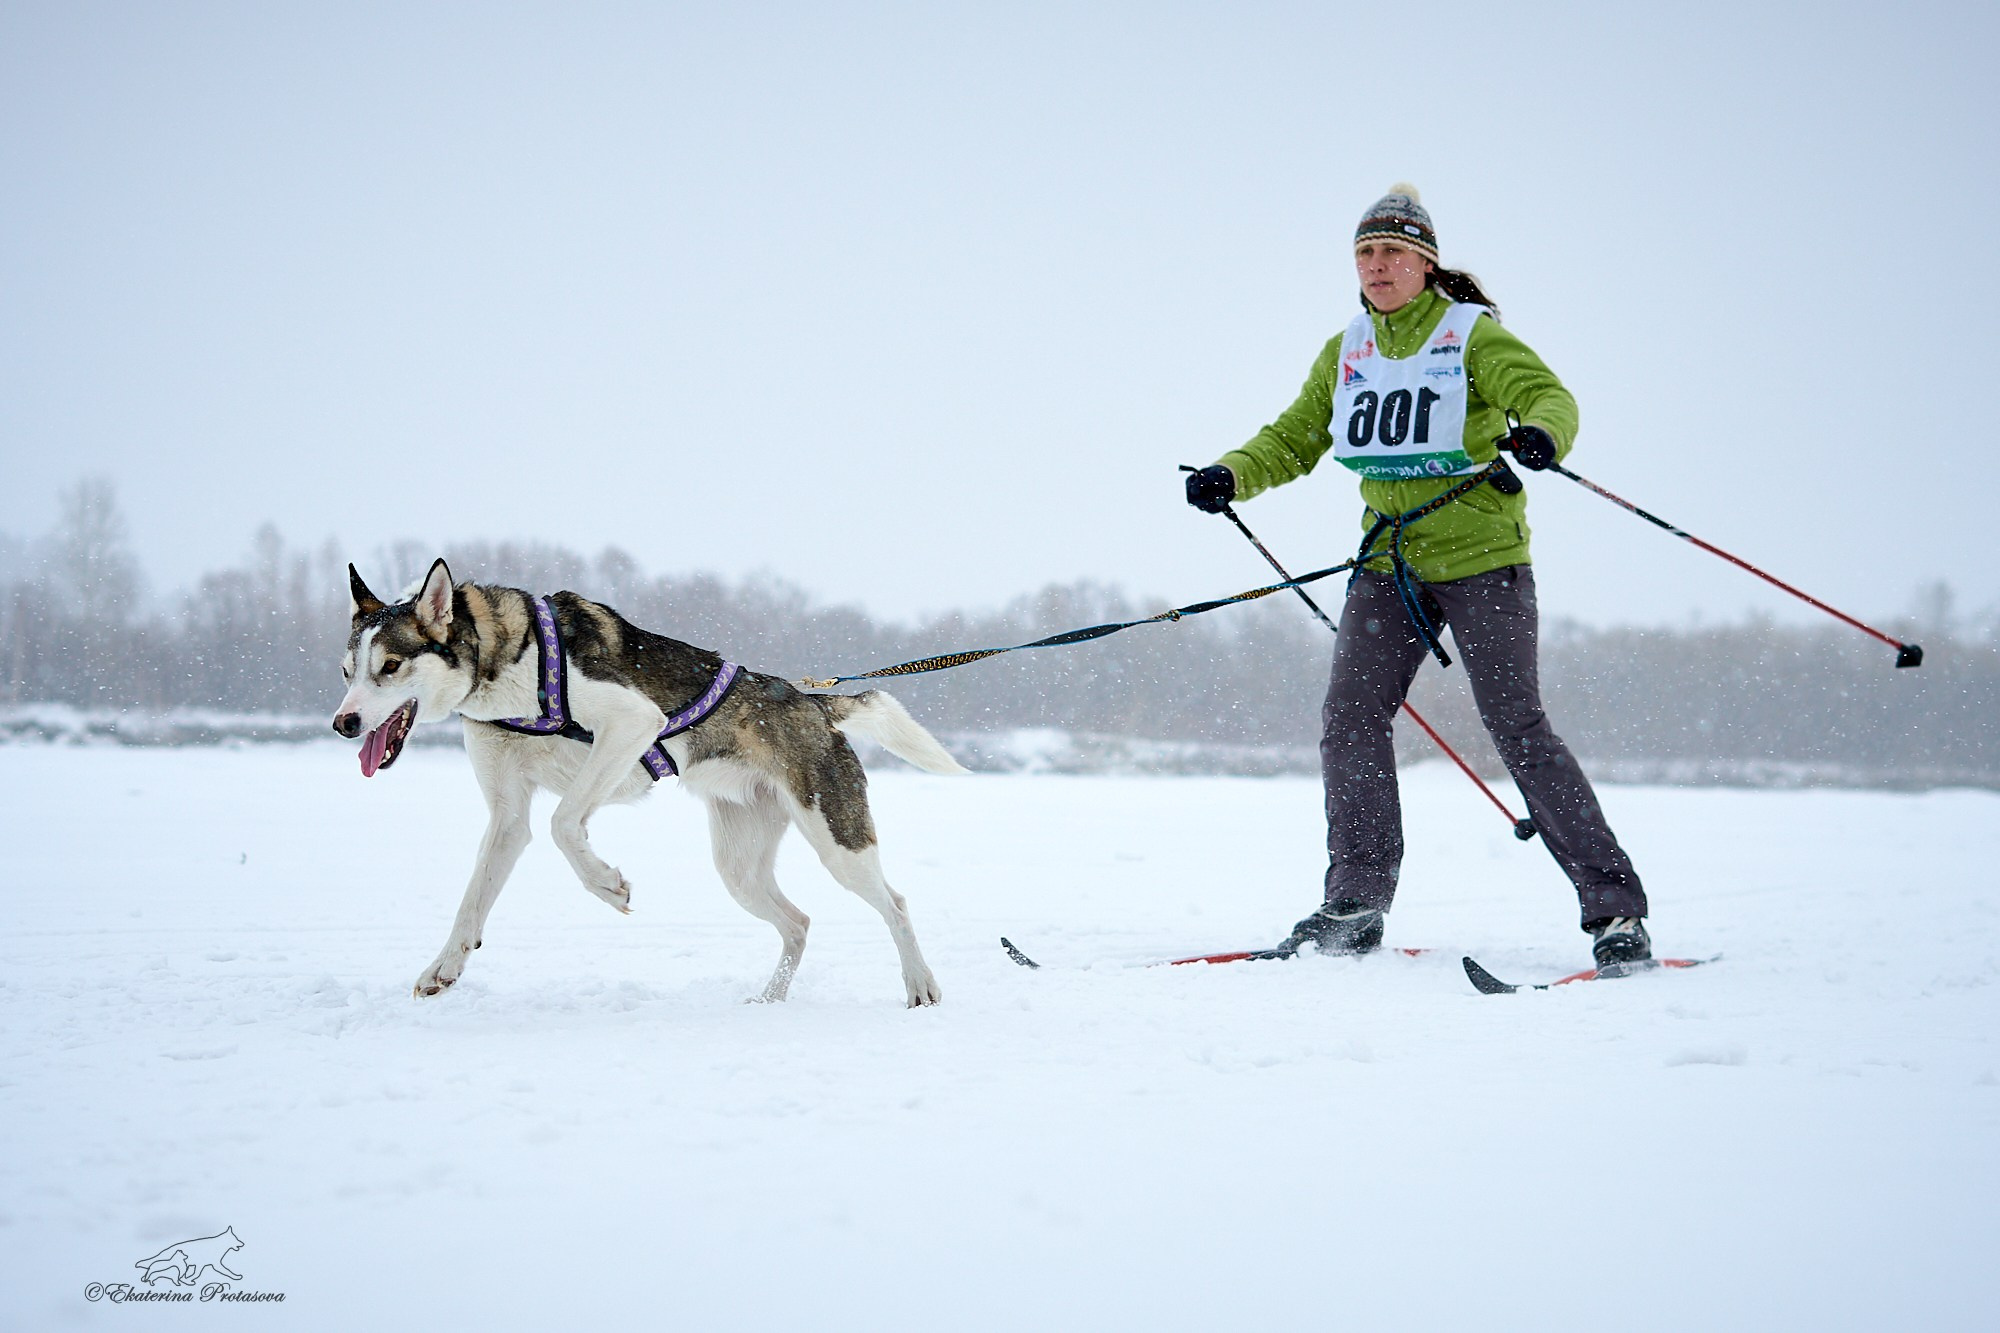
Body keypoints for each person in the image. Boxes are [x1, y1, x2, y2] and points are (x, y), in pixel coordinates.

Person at [1183, 184, 1650, 970]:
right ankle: (1356, 900)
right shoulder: (1348, 350)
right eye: (1365, 253)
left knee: (1518, 728)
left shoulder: (1471, 336)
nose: (1377, 266)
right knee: (1350, 718)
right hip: (1388, 566)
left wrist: (1541, 433)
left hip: (1483, 560)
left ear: (1426, 264)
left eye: (1393, 251)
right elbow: (1296, 437)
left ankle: (1616, 913)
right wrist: (1231, 472)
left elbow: (1547, 395)